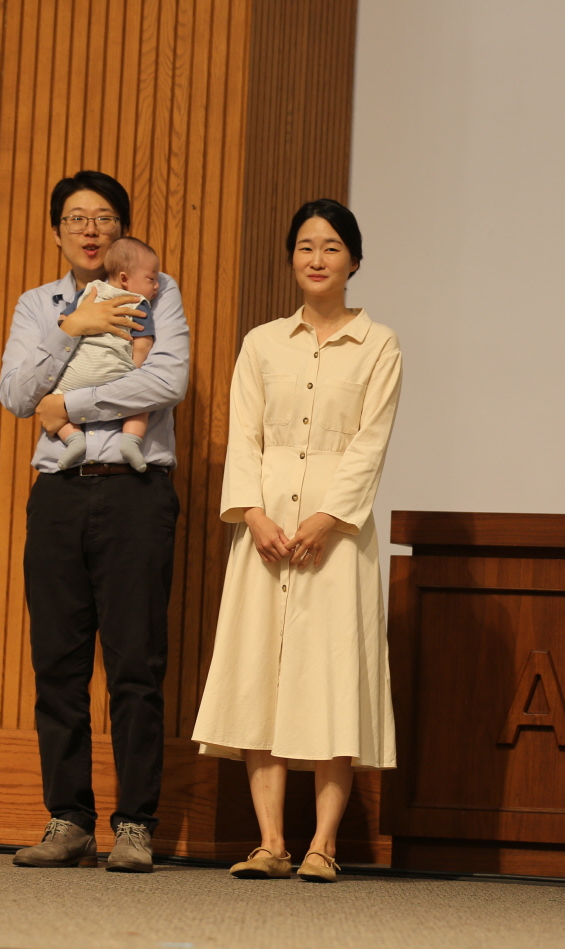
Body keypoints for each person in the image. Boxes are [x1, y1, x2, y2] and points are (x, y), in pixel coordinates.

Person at [191, 198, 400, 883]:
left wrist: (328, 518)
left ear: (355, 261)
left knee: (333, 676)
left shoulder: (380, 344)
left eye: (332, 247)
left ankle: (324, 844)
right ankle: (272, 842)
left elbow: (371, 442)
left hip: (336, 535)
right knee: (261, 674)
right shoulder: (261, 343)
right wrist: (252, 515)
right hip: (265, 530)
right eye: (306, 246)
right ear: (291, 259)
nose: (317, 258)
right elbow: (244, 435)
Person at [0, 170, 190, 872]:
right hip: (58, 492)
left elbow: (166, 381)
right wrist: (69, 331)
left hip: (136, 490)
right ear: (57, 233)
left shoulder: (155, 291)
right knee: (58, 662)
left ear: (121, 231)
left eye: (104, 217)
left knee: (136, 663)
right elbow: (17, 393)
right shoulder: (38, 305)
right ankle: (69, 819)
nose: (89, 229)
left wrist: (70, 406)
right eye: (76, 218)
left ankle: (135, 824)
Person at [50, 236, 161, 472]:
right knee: (140, 402)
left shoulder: (88, 292)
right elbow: (143, 344)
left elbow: (63, 321)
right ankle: (130, 441)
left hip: (76, 373)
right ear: (124, 278)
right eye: (151, 279)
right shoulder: (138, 303)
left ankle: (73, 439)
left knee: (53, 398)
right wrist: (134, 371)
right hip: (115, 374)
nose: (156, 286)